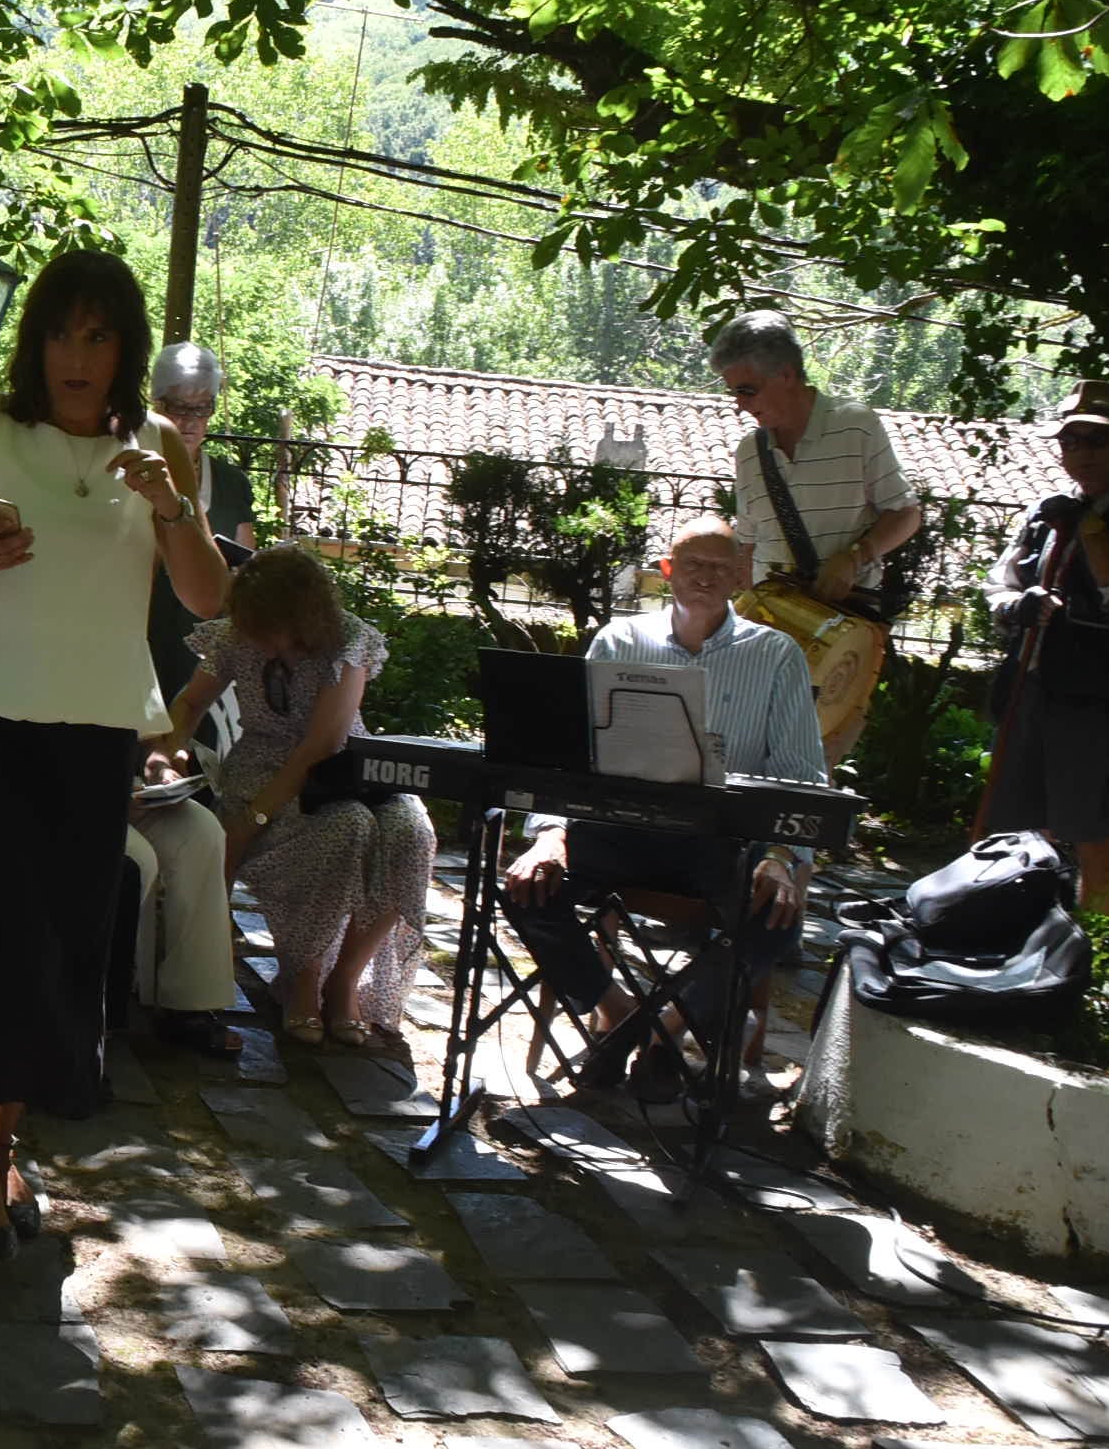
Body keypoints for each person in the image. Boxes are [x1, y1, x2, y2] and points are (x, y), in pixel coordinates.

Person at [0, 249, 229, 1257]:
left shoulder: (162, 442)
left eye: (98, 335)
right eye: (59, 333)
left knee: (64, 955)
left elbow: (208, 598)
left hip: (93, 731)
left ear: (124, 348)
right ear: (34, 340)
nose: (76, 356)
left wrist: (170, 503)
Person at [500, 521, 826, 1100]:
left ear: (740, 577)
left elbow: (801, 773)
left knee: (778, 918)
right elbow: (572, 758)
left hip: (719, 840)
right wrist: (549, 833)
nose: (706, 576)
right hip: (619, 829)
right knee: (526, 885)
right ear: (667, 569)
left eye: (721, 567)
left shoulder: (775, 655)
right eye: (693, 563)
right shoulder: (619, 641)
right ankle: (618, 1010)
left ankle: (663, 1029)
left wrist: (779, 854)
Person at [0, 607, 234, 1059]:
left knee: (198, 830)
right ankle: (71, 1037)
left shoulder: (86, 635)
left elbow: (135, 733)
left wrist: (157, 765)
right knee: (122, 865)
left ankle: (175, 1008)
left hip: (58, 799)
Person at [169, 545, 433, 1046]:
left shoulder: (348, 640)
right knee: (343, 829)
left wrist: (255, 818)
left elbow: (323, 746)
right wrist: (172, 748)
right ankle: (303, 977)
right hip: (262, 763)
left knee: (410, 833)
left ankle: (344, 981)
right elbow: (190, 701)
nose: (260, 636)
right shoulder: (236, 636)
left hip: (341, 768)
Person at [714, 308, 924, 760]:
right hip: (764, 637)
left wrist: (855, 556)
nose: (740, 404)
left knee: (811, 773)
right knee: (743, 762)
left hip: (838, 639)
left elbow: (906, 513)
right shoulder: (749, 451)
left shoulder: (856, 425)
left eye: (747, 390)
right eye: (734, 392)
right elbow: (747, 542)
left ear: (787, 374)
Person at [981, 380, 1109, 912]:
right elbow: (998, 582)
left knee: (1092, 831)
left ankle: (1106, 971)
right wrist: (1016, 605)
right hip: (1031, 687)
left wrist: (1091, 528)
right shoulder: (1044, 511)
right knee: (1016, 829)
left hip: (1104, 702)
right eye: (1072, 441)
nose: (1082, 453)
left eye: (1097, 441)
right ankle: (1024, 953)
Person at [145, 341, 260, 694]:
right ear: (157, 404)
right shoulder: (133, 470)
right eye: (180, 407)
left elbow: (246, 571)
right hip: (142, 639)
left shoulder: (230, 482)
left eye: (202, 408)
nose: (189, 421)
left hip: (208, 649)